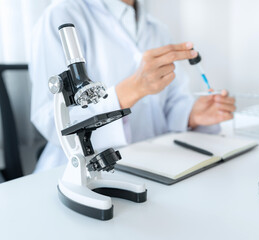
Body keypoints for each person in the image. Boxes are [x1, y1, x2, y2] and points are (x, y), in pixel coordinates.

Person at [29, 0, 236, 172]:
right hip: (79, 173)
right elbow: (51, 120)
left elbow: (171, 104)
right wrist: (130, 91)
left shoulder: (157, 29)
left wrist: (191, 116)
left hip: (155, 167)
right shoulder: (61, 15)